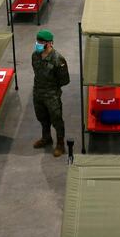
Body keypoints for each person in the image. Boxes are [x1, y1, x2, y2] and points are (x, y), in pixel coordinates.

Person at [31, 29, 70, 157]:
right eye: (38, 41)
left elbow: (64, 80)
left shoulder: (58, 59)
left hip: (52, 95)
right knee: (42, 117)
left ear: (50, 43)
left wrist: (52, 89)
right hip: (38, 93)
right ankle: (46, 138)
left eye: (41, 42)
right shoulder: (35, 55)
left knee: (56, 119)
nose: (38, 43)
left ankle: (60, 144)